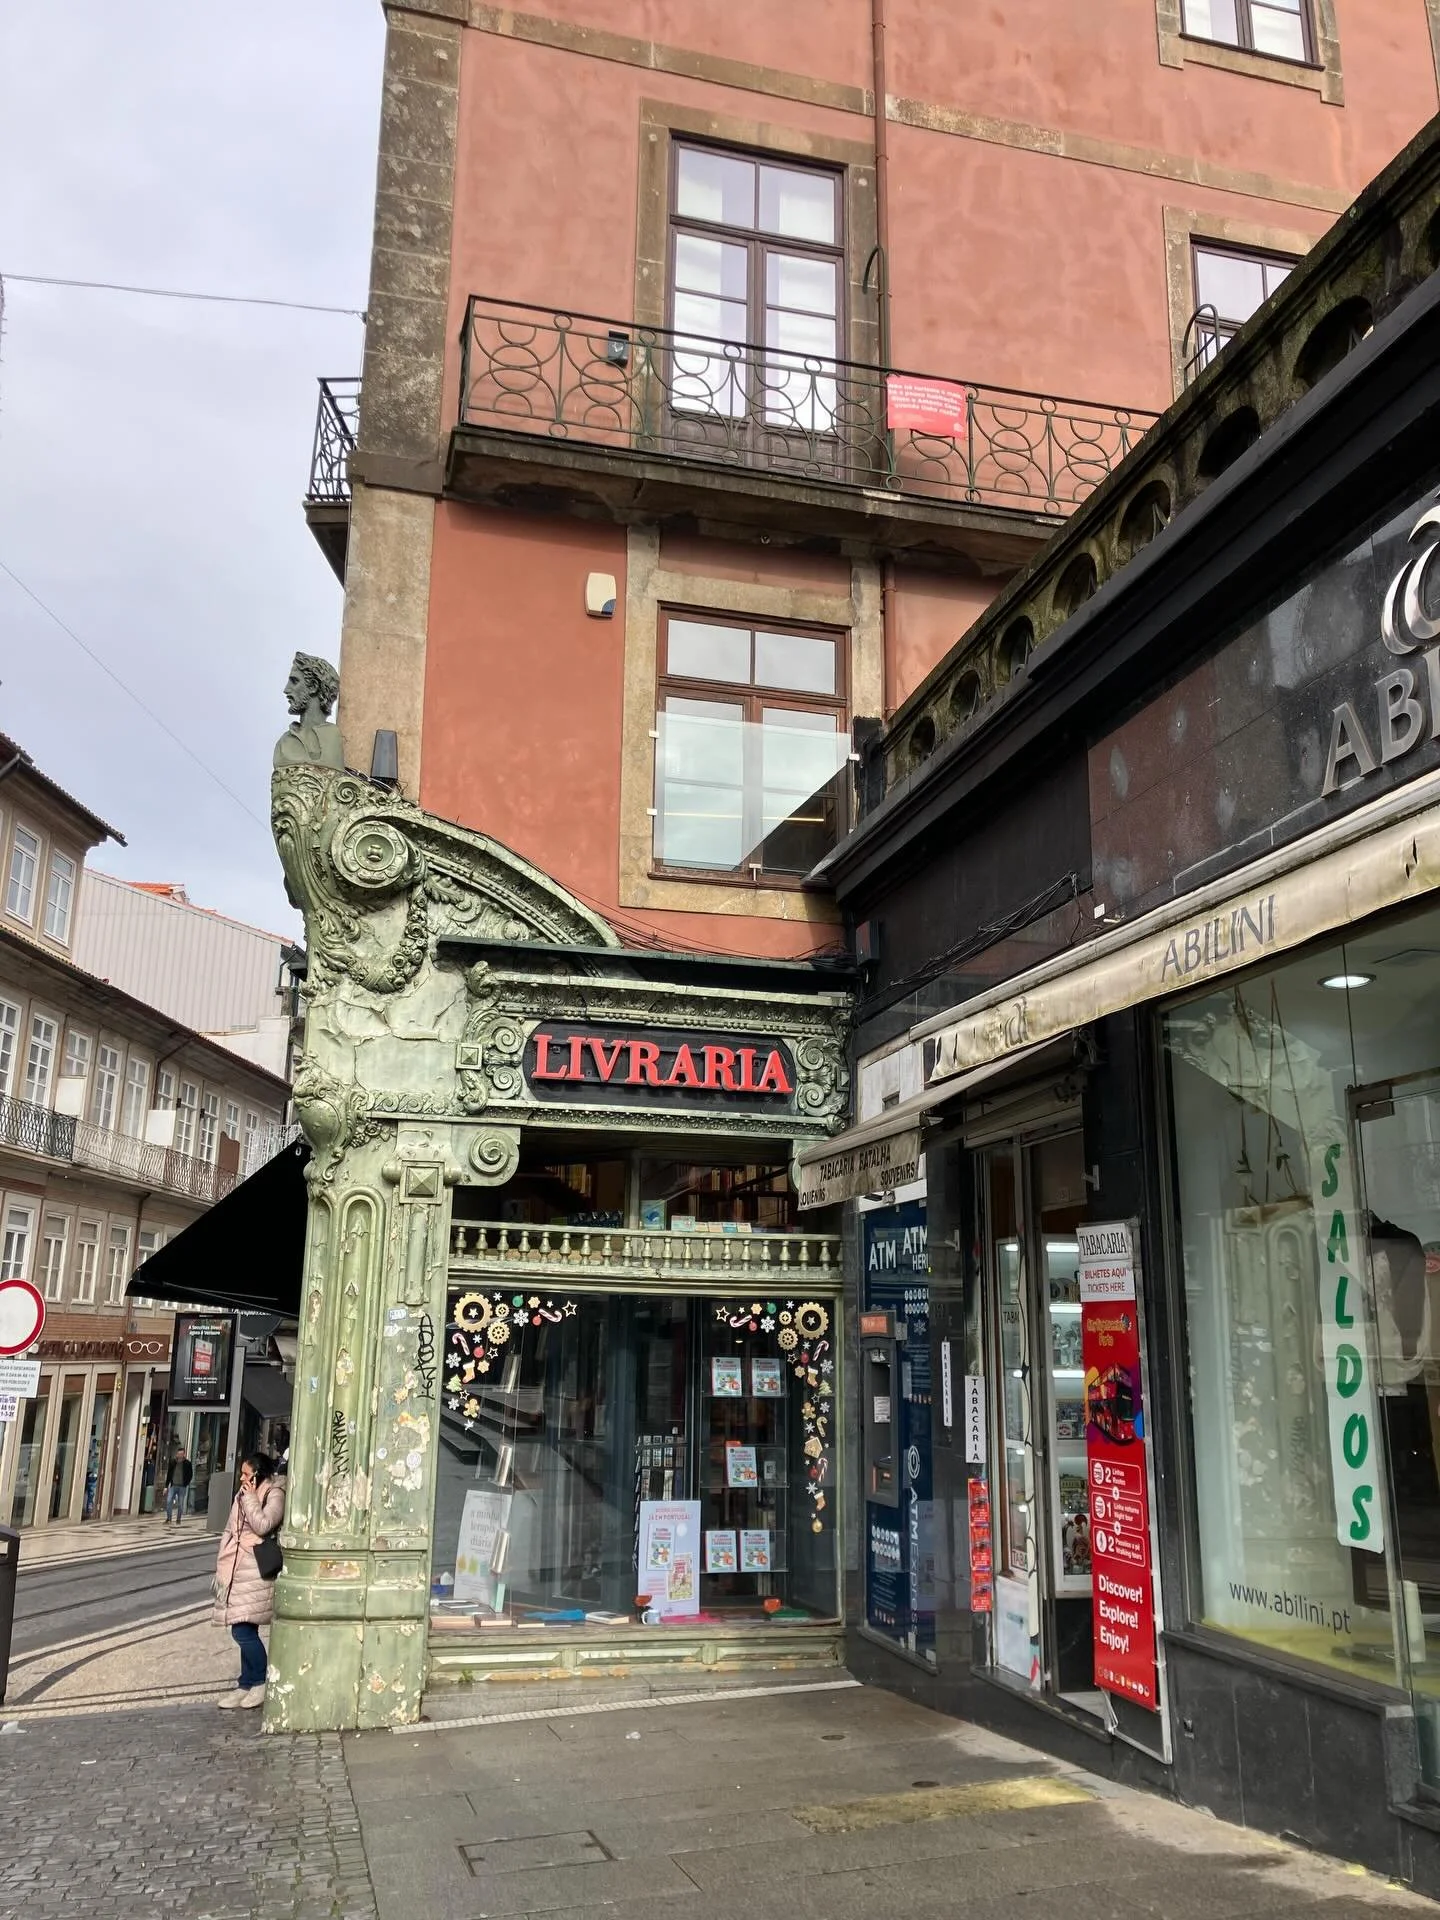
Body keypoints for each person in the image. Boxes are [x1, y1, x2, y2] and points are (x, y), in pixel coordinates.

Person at [213, 1452, 285, 1710]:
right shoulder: (243, 1494)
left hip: (255, 1569)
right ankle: (246, 1682)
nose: (242, 1478)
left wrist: (252, 1498)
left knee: (241, 1629)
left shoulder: (273, 1494)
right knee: (243, 1626)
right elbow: (232, 1528)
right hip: (236, 1567)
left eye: (246, 1473)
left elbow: (263, 1524)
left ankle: (260, 1680)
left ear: (258, 1473)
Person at [164, 1447, 192, 1526]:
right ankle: (169, 1518)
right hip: (173, 1485)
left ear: (184, 1454)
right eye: (179, 1454)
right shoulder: (173, 1462)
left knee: (180, 1504)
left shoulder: (187, 1463)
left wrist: (186, 1483)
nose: (180, 1455)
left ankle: (178, 1519)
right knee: (169, 1501)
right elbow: (169, 1474)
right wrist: (166, 1486)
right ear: (177, 1454)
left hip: (182, 1487)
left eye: (181, 1454)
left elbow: (190, 1475)